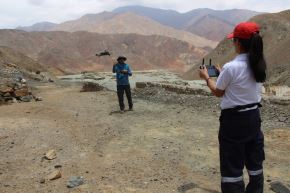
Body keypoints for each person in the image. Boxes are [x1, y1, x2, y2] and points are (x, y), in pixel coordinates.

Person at [199, 22, 267, 193]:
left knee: (232, 166)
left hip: (234, 122)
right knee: (254, 162)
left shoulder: (232, 67)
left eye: (233, 41)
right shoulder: (258, 64)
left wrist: (207, 77)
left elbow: (218, 92)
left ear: (238, 43)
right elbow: (242, 84)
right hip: (254, 117)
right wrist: (223, 73)